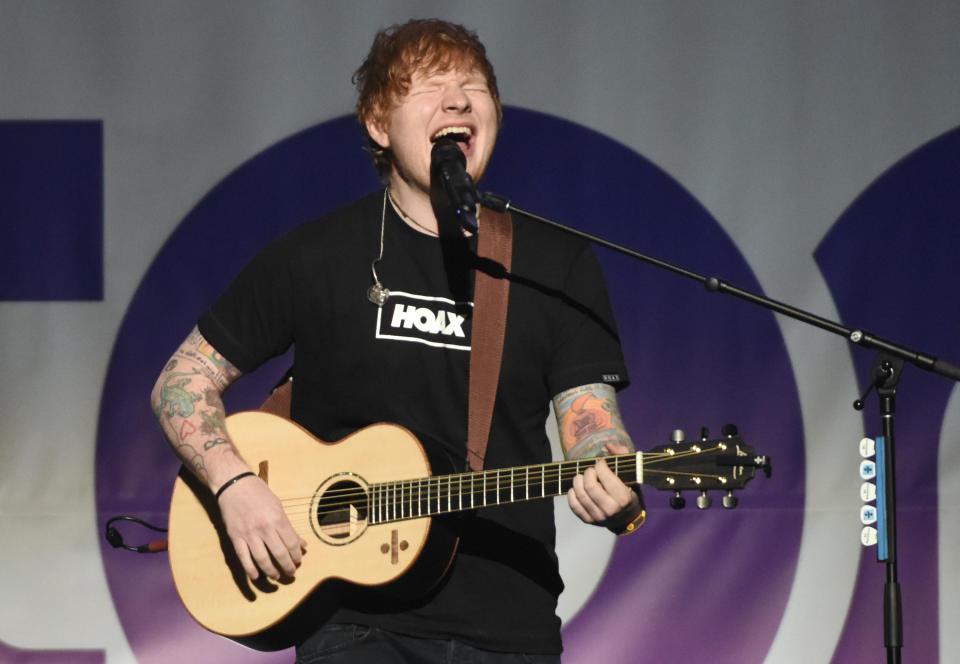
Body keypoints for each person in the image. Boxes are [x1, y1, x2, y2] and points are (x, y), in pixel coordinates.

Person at [151, 18, 644, 664]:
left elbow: (593, 426)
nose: (460, 100)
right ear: (378, 124)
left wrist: (613, 475)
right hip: (355, 626)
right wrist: (234, 485)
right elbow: (181, 382)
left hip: (508, 631)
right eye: (431, 86)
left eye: (474, 86)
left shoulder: (554, 263)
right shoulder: (317, 256)